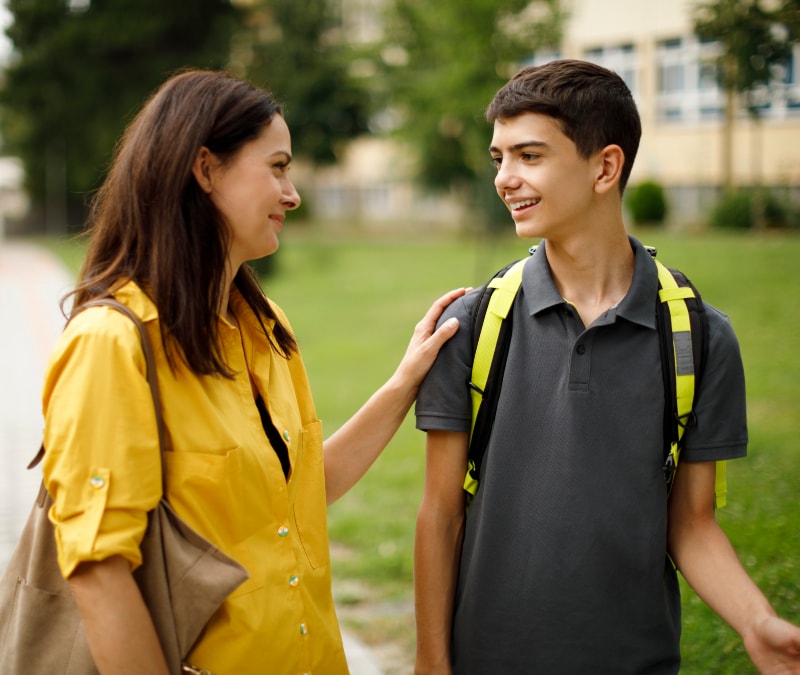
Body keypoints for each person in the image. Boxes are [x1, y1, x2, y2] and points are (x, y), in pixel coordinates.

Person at [41, 68, 464, 675]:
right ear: (206, 169)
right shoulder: (112, 343)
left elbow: (301, 492)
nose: (292, 194)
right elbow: (98, 570)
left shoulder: (267, 329)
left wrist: (405, 382)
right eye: (278, 167)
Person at [413, 59, 800, 674]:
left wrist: (756, 621)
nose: (506, 179)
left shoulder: (699, 337)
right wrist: (432, 665)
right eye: (499, 158)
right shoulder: (473, 323)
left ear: (606, 166)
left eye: (529, 156)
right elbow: (440, 515)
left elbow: (693, 525)